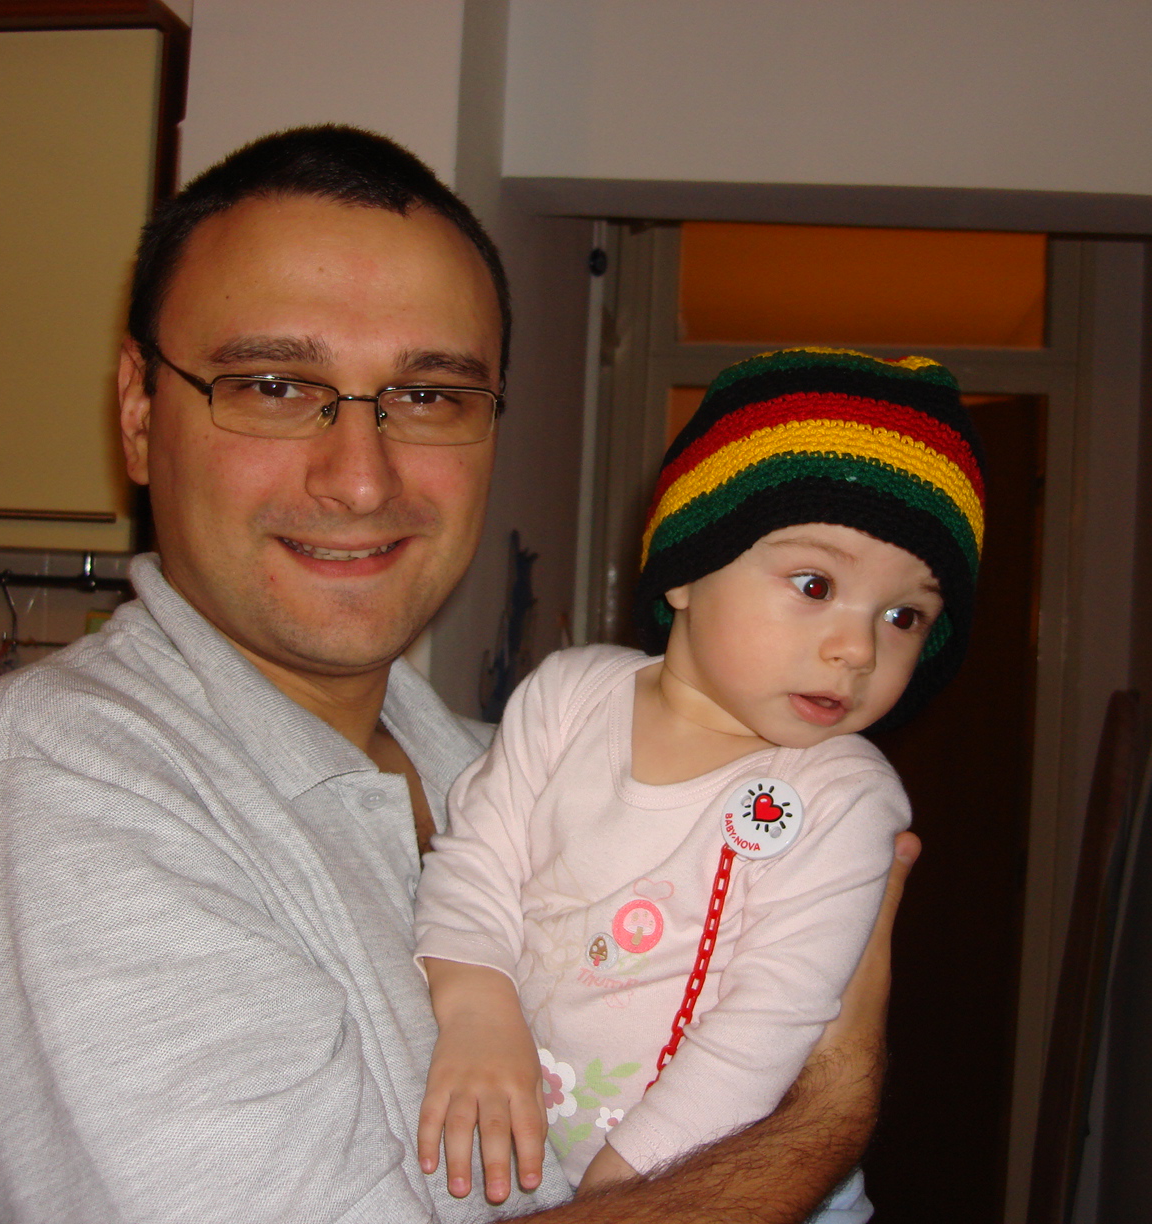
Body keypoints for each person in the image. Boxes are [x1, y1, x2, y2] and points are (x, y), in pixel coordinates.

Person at [0, 125, 915, 1224]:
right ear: (138, 410)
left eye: (429, 397)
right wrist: (819, 1114)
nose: (360, 480)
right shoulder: (58, 787)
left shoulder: (500, 764)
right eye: (273, 384)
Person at [414, 349, 984, 1213]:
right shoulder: (567, 699)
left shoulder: (845, 797)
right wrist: (475, 1007)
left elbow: (771, 1024)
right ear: (686, 567)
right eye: (815, 584)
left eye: (905, 615)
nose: (858, 648)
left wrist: (620, 1198)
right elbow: (475, 863)